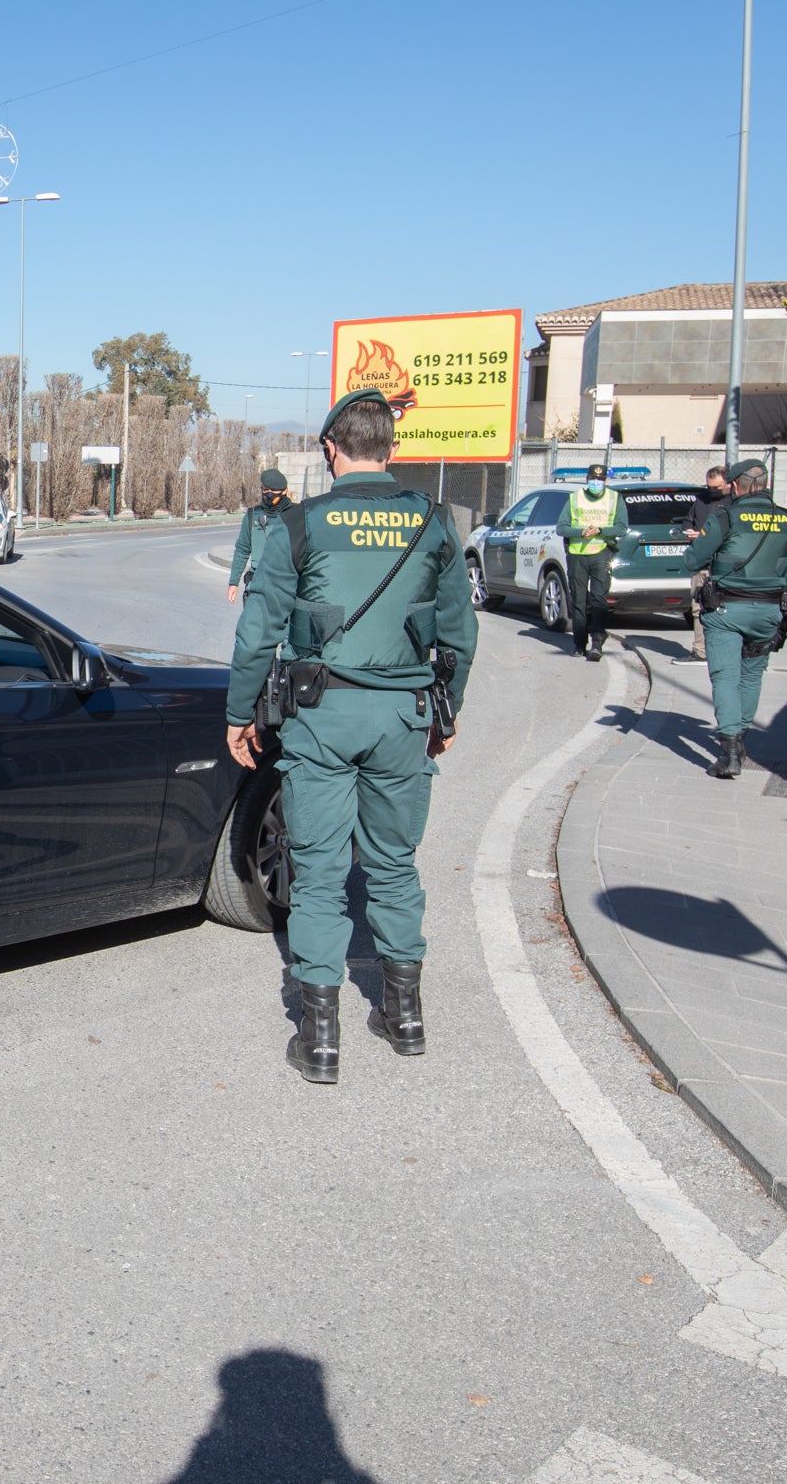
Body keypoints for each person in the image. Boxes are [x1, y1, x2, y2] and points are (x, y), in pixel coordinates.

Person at [225, 390, 477, 1084]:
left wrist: (239, 711)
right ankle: (405, 1017)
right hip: (402, 717)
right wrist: (445, 712)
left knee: (321, 873)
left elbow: (259, 629)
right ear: (391, 449)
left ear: (332, 449)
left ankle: (321, 1037)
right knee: (393, 864)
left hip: (321, 720)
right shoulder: (433, 521)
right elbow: (461, 630)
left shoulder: (301, 524)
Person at [682, 458, 787, 779]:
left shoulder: (725, 517)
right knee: (752, 676)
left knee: (726, 677)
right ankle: (740, 739)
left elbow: (693, 560)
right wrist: (777, 586)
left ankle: (729, 753)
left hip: (727, 610)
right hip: (769, 610)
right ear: (766, 484)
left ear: (734, 486)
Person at [562, 461, 626, 661]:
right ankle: (579, 644)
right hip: (577, 554)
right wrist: (580, 532)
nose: (596, 483)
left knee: (599, 600)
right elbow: (561, 527)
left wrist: (600, 530)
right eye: (592, 479)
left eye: (599, 480)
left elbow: (622, 528)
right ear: (587, 479)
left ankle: (597, 641)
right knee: (579, 601)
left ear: (606, 481)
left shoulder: (615, 499)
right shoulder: (575, 498)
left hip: (601, 553)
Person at [674, 465, 731, 665]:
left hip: (723, 565)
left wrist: (705, 536)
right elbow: (688, 521)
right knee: (698, 606)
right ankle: (700, 650)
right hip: (701, 561)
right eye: (709, 487)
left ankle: (723, 651)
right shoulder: (701, 499)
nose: (712, 491)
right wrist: (689, 531)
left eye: (716, 487)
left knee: (723, 608)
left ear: (727, 483)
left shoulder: (733, 503)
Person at [226, 469, 293, 604]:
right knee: (252, 624)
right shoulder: (252, 515)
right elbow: (242, 549)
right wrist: (233, 583)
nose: (269, 494)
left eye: (273, 490)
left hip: (286, 587)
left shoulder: (295, 515)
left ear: (284, 491)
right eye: (265, 489)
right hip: (257, 586)